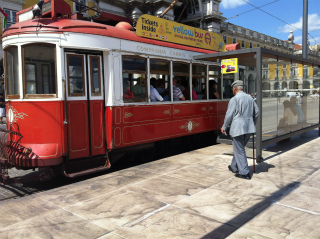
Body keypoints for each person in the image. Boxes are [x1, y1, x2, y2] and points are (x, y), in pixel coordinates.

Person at [221, 80, 259, 180]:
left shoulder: (234, 99)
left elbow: (229, 115)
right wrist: (252, 123)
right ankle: (234, 166)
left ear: (234, 88)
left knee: (239, 149)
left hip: (238, 128)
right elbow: (257, 112)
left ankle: (245, 172)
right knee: (239, 148)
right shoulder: (250, 98)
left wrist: (224, 126)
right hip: (249, 128)